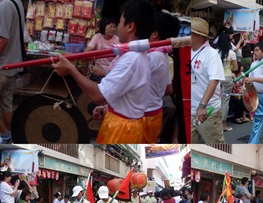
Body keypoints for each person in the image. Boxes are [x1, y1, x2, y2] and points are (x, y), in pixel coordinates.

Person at [52, 0, 157, 143]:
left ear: (130, 26)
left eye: (119, 23)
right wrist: (107, 107)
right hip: (121, 121)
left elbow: (98, 95)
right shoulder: (136, 56)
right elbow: (125, 94)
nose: (117, 27)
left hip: (122, 129)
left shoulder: (131, 59)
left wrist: (71, 69)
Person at [0, 0, 25, 144]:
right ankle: (12, 136)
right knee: (6, 103)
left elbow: (3, 40)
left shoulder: (5, 5)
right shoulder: (17, 2)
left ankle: (6, 134)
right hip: (11, 65)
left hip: (0, 66)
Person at [143, 12, 179, 143]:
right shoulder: (162, 55)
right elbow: (168, 90)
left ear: (154, 34)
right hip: (155, 112)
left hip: (144, 116)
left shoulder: (151, 57)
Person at [191, 17, 225, 143]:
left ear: (197, 35)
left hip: (207, 111)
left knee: (215, 144)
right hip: (190, 110)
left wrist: (202, 106)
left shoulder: (211, 54)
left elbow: (214, 80)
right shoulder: (188, 51)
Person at [84, 17, 119, 81]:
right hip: (97, 71)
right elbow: (87, 50)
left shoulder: (117, 40)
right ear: (104, 26)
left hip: (110, 73)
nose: (113, 29)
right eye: (111, 26)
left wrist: (102, 72)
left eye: (114, 27)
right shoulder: (97, 37)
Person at [217, 32, 238, 132]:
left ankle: (215, 123)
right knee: (225, 100)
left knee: (216, 99)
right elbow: (236, 67)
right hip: (227, 78)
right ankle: (223, 124)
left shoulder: (215, 52)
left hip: (216, 78)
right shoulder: (231, 53)